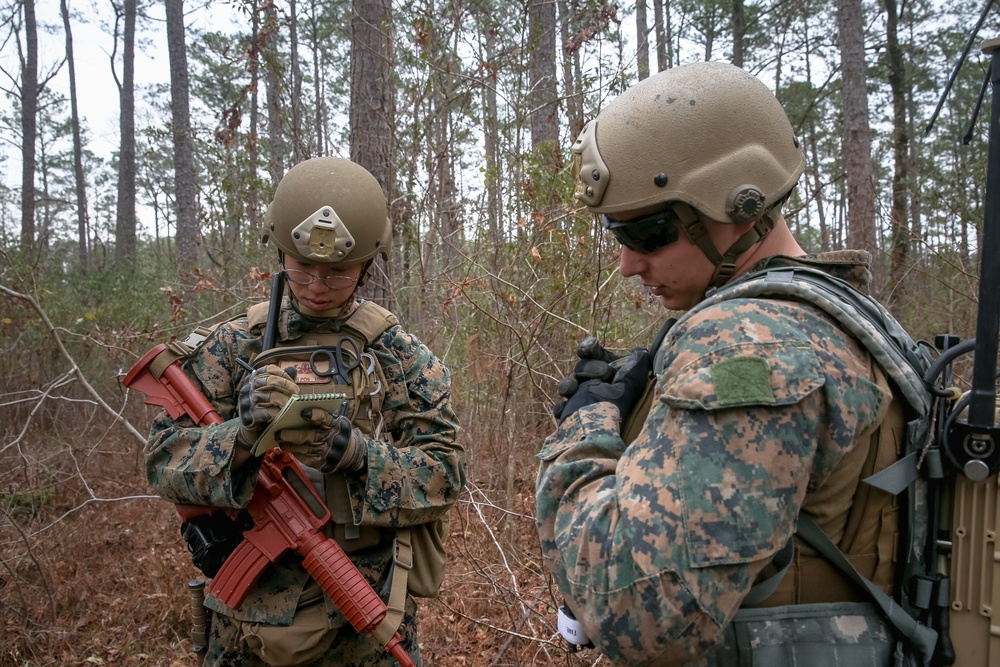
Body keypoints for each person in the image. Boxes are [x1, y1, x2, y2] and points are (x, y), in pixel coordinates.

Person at [536, 61, 923, 665]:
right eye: (618, 237)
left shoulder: (749, 345)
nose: (627, 266)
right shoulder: (838, 313)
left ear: (738, 207)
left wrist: (583, 434)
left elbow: (637, 612)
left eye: (648, 234)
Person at [144, 156, 466, 666]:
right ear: (280, 252)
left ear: (366, 264)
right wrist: (241, 437)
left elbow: (446, 474)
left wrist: (361, 457)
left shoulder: (400, 357)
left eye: (338, 272)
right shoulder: (231, 348)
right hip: (248, 622)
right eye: (302, 267)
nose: (317, 285)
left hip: (366, 606)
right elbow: (163, 462)